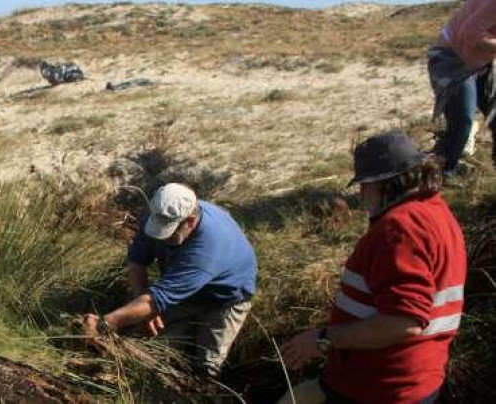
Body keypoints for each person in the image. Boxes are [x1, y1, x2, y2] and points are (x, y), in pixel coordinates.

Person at [279, 132, 466, 404]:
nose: (361, 193)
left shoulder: (398, 229)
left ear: (384, 183)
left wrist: (323, 339)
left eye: (365, 184)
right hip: (413, 379)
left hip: (378, 386)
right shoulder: (436, 212)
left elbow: (403, 323)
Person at [83, 183, 257, 377]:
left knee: (206, 367)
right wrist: (145, 308)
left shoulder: (205, 250)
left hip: (224, 298)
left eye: (170, 232)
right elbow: (137, 262)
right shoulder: (158, 215)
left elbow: (157, 299)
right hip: (180, 289)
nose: (162, 237)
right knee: (148, 341)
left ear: (190, 221)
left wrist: (105, 324)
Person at [427, 0, 496, 179]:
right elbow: (470, 33)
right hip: (451, 58)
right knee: (463, 120)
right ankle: (445, 172)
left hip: (482, 62)